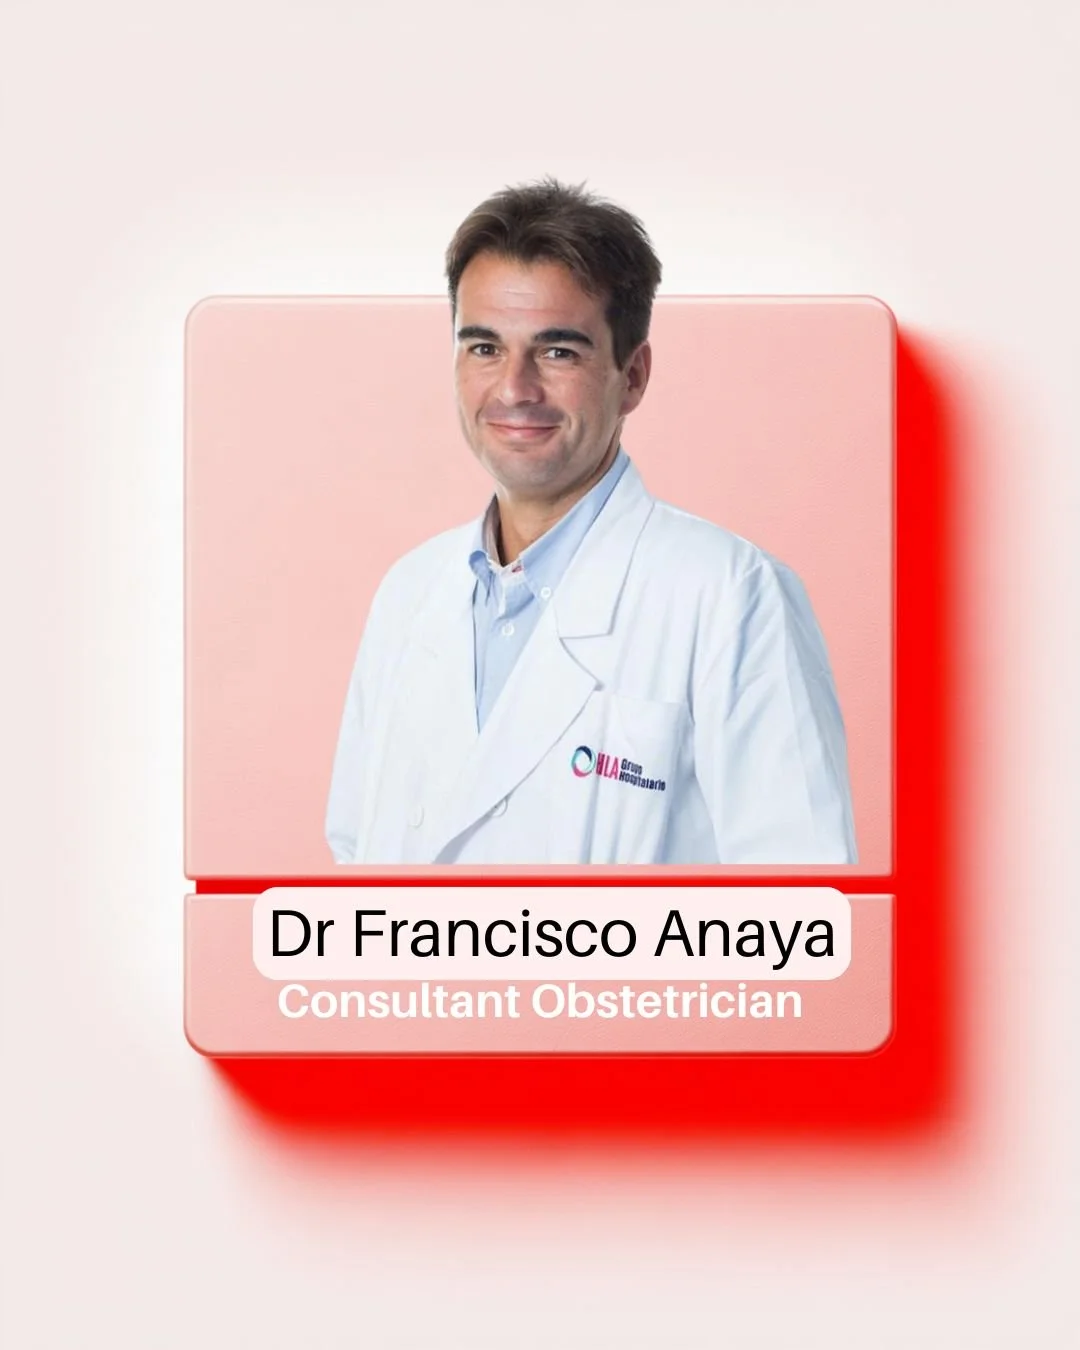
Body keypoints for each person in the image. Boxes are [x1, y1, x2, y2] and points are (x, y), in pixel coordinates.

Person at [326, 178, 857, 865]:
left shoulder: (732, 594)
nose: (514, 388)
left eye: (558, 352)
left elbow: (804, 903)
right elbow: (353, 864)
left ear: (632, 376)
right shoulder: (410, 591)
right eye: (484, 347)